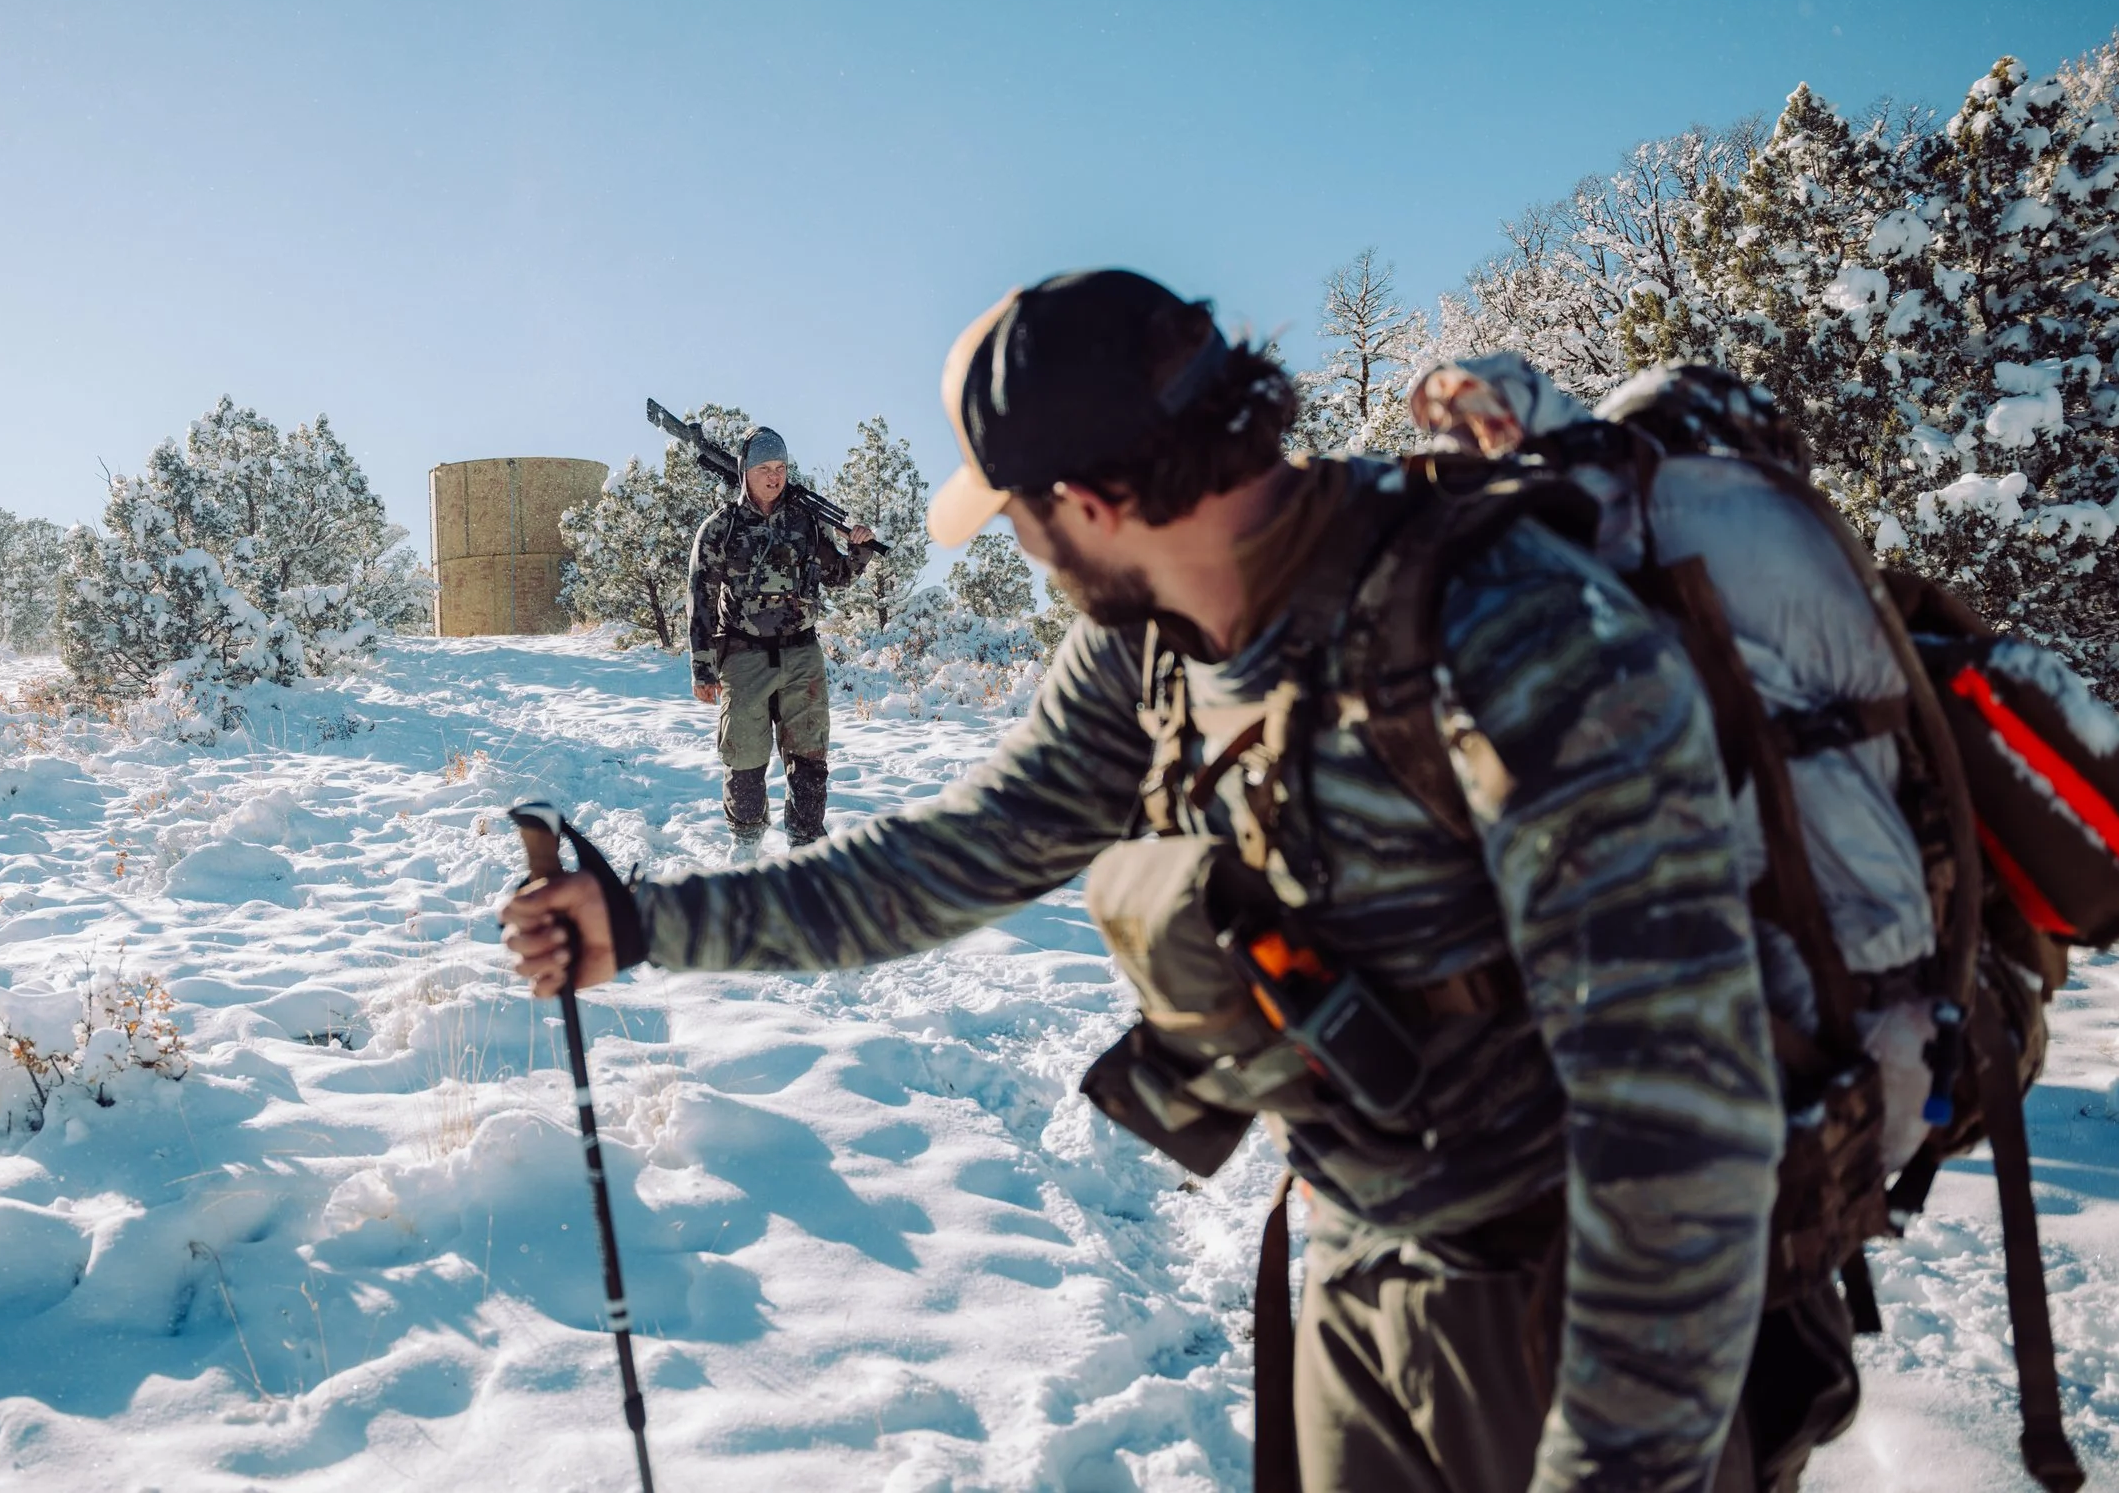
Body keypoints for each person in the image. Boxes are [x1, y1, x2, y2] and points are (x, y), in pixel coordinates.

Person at [507, 269, 1782, 1493]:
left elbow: (1684, 1132)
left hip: (1577, 1304)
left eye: (1015, 512)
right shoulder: (1148, 645)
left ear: (1090, 497)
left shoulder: (1513, 631)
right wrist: (646, 922)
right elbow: (947, 861)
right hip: (1356, 1249)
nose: (1017, 543)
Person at [686, 426, 876, 852]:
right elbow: (699, 599)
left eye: (781, 468)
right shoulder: (721, 528)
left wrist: (858, 549)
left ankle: (806, 849)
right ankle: (746, 847)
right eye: (764, 469)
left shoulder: (805, 521)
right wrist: (702, 666)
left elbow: (837, 576)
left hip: (801, 653)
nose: (774, 477)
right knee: (744, 757)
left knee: (810, 757)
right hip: (743, 655)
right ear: (744, 473)